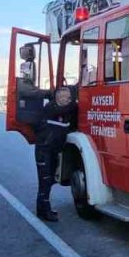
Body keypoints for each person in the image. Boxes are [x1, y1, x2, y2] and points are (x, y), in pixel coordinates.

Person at [33, 85, 76, 222]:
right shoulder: (51, 108)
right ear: (59, 97)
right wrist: (76, 103)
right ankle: (45, 211)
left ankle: (41, 208)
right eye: (66, 97)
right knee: (45, 180)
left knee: (50, 180)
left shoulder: (67, 111)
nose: (68, 100)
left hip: (53, 152)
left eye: (69, 98)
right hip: (44, 151)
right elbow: (64, 109)